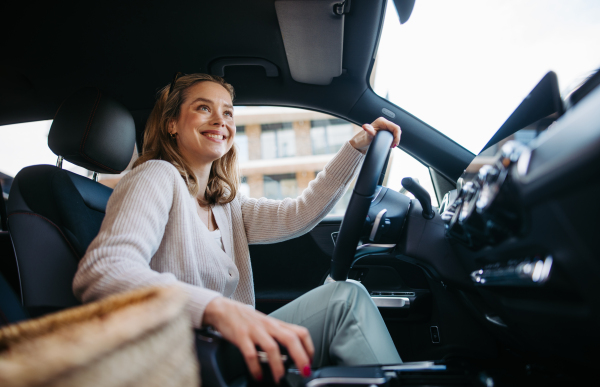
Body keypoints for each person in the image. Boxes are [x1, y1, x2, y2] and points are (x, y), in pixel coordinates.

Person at [73, 73, 402, 383]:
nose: (220, 120)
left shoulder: (224, 203)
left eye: (228, 113)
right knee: (344, 302)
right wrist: (213, 309)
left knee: (348, 296)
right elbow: (103, 272)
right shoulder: (155, 177)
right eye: (203, 108)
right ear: (171, 123)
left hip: (220, 350)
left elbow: (298, 214)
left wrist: (355, 149)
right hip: (182, 356)